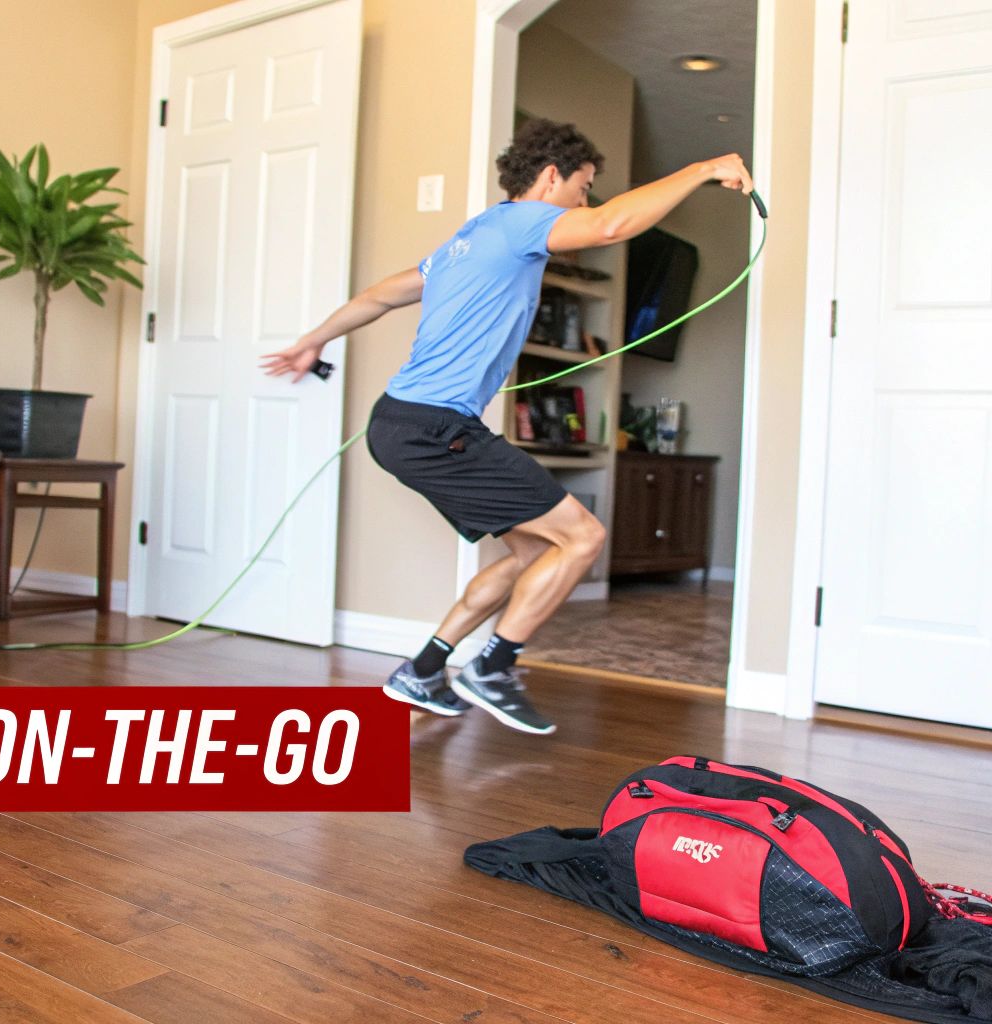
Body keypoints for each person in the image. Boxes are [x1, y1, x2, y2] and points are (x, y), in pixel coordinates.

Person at [261, 118, 753, 734]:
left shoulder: (471, 236)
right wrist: (704, 169)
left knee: (534, 550)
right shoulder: (523, 224)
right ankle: (493, 667)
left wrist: (312, 340)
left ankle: (424, 669)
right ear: (552, 177)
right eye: (583, 185)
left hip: (401, 422)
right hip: (436, 427)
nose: (585, 200)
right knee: (583, 537)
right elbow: (610, 225)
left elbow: (382, 295)